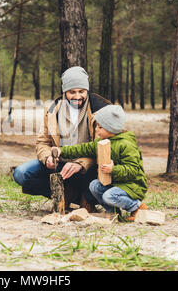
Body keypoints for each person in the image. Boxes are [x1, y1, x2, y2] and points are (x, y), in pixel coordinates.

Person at [13, 66, 110, 211]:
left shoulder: (100, 109)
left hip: (90, 167)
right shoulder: (52, 110)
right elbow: (42, 142)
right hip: (61, 165)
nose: (77, 96)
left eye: (82, 91)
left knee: (100, 171)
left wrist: (80, 164)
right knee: (21, 173)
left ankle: (87, 197)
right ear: (65, 92)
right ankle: (66, 194)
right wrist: (47, 159)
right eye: (72, 92)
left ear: (87, 91)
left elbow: (102, 146)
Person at [52, 105, 148, 221]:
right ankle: (112, 212)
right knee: (94, 186)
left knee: (109, 196)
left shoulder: (126, 145)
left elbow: (133, 170)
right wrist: (62, 151)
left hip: (131, 185)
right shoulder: (101, 142)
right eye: (97, 126)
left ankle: (137, 207)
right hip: (116, 183)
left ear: (111, 128)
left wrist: (113, 170)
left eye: (100, 127)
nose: (96, 129)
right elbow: (83, 149)